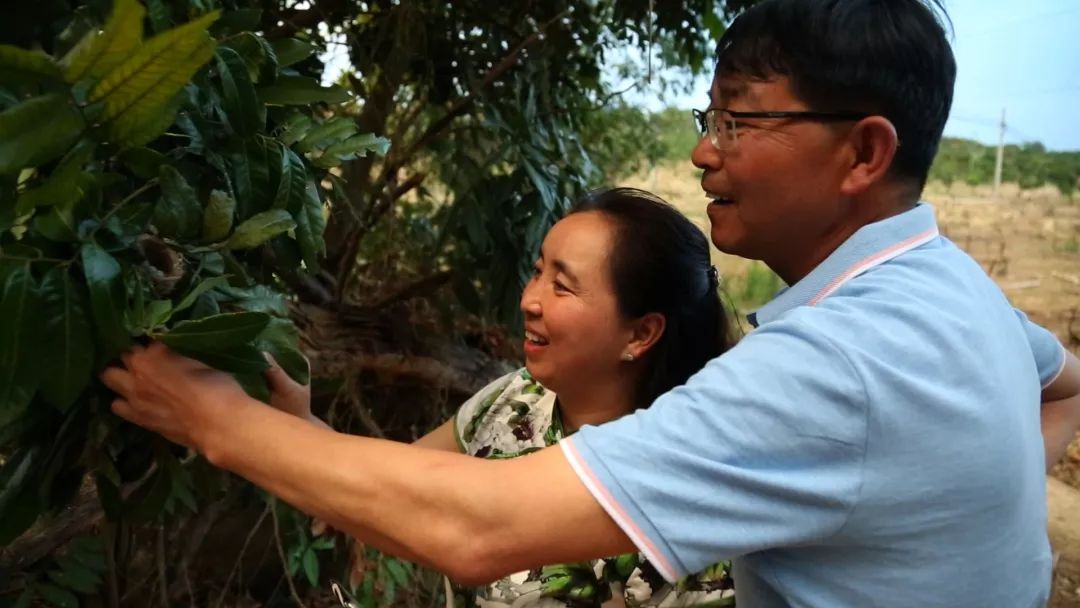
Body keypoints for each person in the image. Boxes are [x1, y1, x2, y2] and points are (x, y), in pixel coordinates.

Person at [103, 0, 1080, 606]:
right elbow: (1064, 387)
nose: (705, 149)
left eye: (740, 119)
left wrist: (212, 416)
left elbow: (477, 531)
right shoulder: (958, 294)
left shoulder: (830, 369)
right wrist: (949, 499)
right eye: (710, 118)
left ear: (863, 153)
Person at [270, 187, 737, 607]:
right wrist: (295, 421)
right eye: (537, 272)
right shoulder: (515, 400)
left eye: (562, 286)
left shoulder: (686, 496)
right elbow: (396, 495)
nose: (529, 300)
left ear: (640, 333)